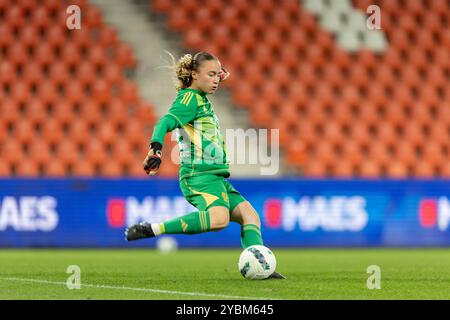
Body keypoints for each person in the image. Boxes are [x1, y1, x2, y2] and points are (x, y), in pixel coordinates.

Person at [125, 51, 285, 279]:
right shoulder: (188, 98)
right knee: (219, 219)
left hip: (215, 177)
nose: (216, 79)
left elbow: (213, 75)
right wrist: (156, 148)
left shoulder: (201, 98)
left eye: (218, 75)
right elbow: (166, 121)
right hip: (198, 176)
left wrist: (215, 74)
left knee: (250, 216)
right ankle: (153, 229)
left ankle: (261, 266)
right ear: (194, 74)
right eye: (211, 75)